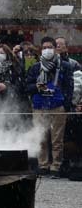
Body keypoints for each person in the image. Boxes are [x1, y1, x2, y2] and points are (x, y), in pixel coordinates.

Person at [26, 37, 73, 178]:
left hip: (57, 106)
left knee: (57, 139)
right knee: (41, 137)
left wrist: (66, 104)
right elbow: (27, 87)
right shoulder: (35, 67)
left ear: (55, 48)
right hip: (39, 106)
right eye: (44, 47)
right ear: (41, 49)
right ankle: (43, 165)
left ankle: (56, 166)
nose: (47, 50)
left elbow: (69, 87)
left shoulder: (64, 66)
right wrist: (37, 87)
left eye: (50, 47)